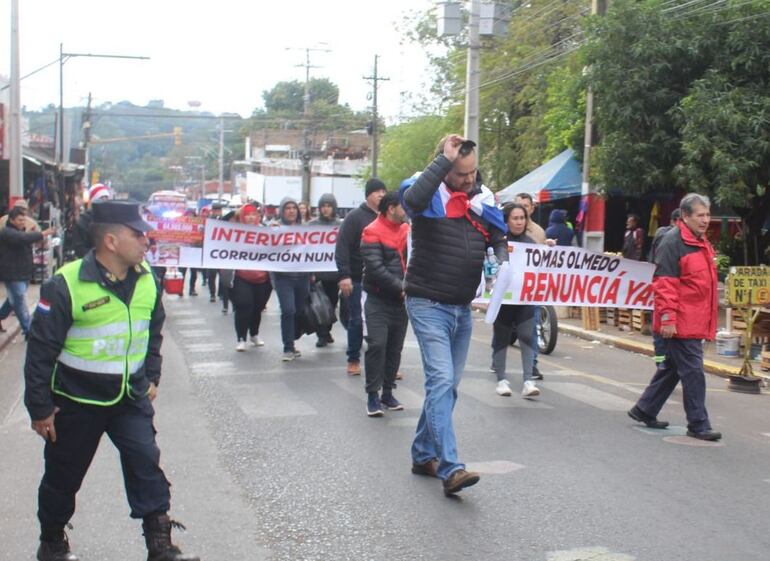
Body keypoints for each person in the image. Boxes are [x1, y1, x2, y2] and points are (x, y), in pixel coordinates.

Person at [24, 199, 198, 561]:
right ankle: (52, 541)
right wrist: (40, 408)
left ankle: (160, 545)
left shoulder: (147, 277)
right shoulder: (66, 283)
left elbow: (154, 329)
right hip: (76, 400)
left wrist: (152, 374)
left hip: (129, 397)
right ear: (111, 242)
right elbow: (40, 350)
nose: (147, 241)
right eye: (138, 235)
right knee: (63, 477)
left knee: (146, 464)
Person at [400, 134, 508, 496]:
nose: (468, 180)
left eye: (472, 172)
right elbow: (410, 202)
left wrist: (503, 262)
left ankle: (421, 454)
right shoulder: (427, 190)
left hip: (461, 307)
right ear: (446, 168)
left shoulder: (483, 199)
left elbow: (498, 232)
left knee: (447, 388)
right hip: (427, 302)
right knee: (441, 382)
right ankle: (450, 468)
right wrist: (442, 162)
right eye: (461, 174)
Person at [628, 193, 721, 441]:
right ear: (685, 216)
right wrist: (668, 318)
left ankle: (644, 409)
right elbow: (665, 284)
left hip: (694, 317)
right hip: (681, 320)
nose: (705, 220)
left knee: (671, 368)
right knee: (693, 372)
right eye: (700, 215)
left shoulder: (701, 241)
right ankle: (698, 423)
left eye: (707, 215)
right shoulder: (673, 241)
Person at [361, 192, 410, 417]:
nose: (406, 211)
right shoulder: (371, 231)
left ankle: (388, 392)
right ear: (391, 208)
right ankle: (372, 394)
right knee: (377, 344)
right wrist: (401, 287)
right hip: (378, 300)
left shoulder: (406, 230)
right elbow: (375, 268)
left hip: (401, 302)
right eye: (403, 207)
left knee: (394, 349)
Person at [335, 178, 387, 375]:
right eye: (376, 191)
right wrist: (344, 275)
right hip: (357, 279)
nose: (381, 194)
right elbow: (342, 247)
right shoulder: (354, 217)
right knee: (356, 319)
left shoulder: (387, 217)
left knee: (382, 322)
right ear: (368, 195)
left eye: (383, 191)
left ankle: (387, 364)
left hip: (382, 279)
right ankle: (353, 359)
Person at [490, 203, 541, 398]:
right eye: (515, 218)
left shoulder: (531, 243)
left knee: (527, 336)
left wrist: (549, 250)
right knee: (501, 339)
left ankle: (529, 380)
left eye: (522, 218)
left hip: (525, 300)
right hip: (503, 301)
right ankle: (502, 380)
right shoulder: (498, 243)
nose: (519, 222)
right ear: (506, 220)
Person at [0, 207, 56, 337]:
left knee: (12, 301)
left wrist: (40, 240)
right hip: (12, 273)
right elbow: (22, 239)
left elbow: (27, 240)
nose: (23, 222)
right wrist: (43, 233)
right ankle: (28, 330)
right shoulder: (7, 233)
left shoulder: (23, 232)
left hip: (23, 273)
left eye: (24, 219)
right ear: (12, 220)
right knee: (19, 300)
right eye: (20, 220)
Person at [514, 192, 551, 380]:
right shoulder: (506, 229)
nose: (521, 209)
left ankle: (532, 365)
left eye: (525, 206)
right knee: (503, 327)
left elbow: (542, 259)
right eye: (518, 205)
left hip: (531, 289)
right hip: (511, 289)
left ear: (531, 208)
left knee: (532, 325)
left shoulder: (538, 232)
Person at [270, 197, 311, 362]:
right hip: (283, 277)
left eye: (294, 207)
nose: (291, 210)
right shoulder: (275, 228)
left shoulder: (306, 229)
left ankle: (292, 340)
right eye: (287, 208)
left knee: (298, 310)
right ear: (282, 211)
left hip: (302, 276)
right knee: (288, 310)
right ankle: (287, 346)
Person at [231, 203, 272, 351]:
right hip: (242, 276)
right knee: (244, 306)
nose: (250, 217)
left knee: (257, 307)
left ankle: (254, 333)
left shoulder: (266, 231)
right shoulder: (234, 232)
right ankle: (241, 337)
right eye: (247, 214)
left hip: (263, 278)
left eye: (253, 214)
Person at [309, 193, 341, 348]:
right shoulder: (312, 226)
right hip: (318, 274)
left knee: (332, 305)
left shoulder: (340, 225)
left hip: (334, 274)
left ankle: (327, 330)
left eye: (329, 206)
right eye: (323, 206)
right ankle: (321, 334)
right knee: (319, 306)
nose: (326, 209)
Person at [71, 183, 112, 258]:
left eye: (106, 198)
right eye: (101, 198)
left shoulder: (112, 220)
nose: (104, 201)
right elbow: (80, 249)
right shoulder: (83, 221)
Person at [206, 203, 225, 303]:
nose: (218, 212)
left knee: (223, 275)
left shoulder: (225, 220)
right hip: (211, 252)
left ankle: (221, 293)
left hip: (222, 252)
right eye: (216, 211)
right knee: (211, 275)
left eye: (219, 211)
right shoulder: (208, 221)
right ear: (212, 211)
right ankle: (212, 294)